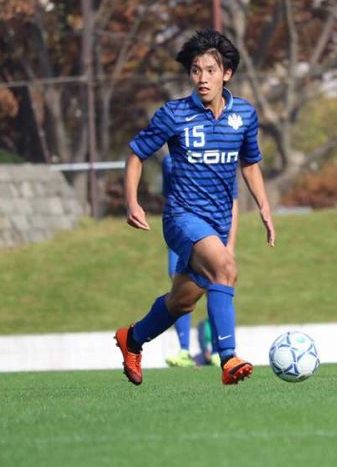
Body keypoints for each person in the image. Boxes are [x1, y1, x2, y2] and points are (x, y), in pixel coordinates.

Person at [115, 29, 275, 385]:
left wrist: (263, 207)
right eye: (196, 70)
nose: (202, 78)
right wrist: (132, 202)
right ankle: (229, 359)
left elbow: (249, 163)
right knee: (226, 268)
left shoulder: (244, 115)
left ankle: (133, 338)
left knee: (182, 301)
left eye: (210, 70)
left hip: (217, 222)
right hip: (181, 217)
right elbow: (136, 155)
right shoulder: (174, 114)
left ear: (226, 74)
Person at [162, 154, 226, 369]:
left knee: (213, 285)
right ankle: (184, 350)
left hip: (209, 229)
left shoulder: (210, 154)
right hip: (180, 230)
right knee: (179, 287)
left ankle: (219, 351)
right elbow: (168, 198)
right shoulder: (169, 161)